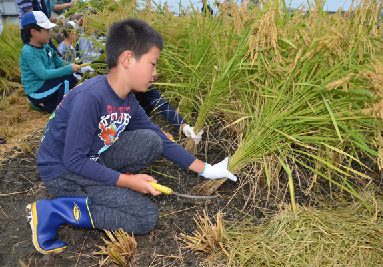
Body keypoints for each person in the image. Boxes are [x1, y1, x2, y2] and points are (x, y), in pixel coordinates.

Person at [27, 18, 237, 254]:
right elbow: (74, 161)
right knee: (146, 217)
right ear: (127, 59)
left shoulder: (128, 101)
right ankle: (53, 211)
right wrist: (129, 182)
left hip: (91, 158)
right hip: (64, 172)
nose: (155, 73)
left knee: (153, 140)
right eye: (152, 64)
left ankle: (105, 185)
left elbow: (160, 138)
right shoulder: (91, 96)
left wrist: (208, 170)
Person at [19, 11, 80, 113]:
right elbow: (44, 74)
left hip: (46, 86)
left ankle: (44, 106)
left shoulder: (46, 47)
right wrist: (69, 69)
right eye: (47, 30)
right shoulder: (28, 51)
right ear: (34, 32)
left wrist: (77, 66)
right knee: (66, 78)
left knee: (70, 80)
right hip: (36, 91)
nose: (50, 33)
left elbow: (59, 62)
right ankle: (62, 112)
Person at [136, 84, 203, 143]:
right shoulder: (126, 95)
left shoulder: (146, 84)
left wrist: (184, 126)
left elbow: (163, 106)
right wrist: (157, 132)